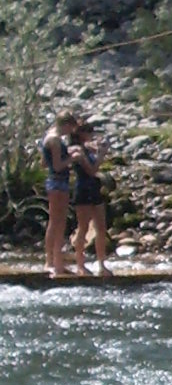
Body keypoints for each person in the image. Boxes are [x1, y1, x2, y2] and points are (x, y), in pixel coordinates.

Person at [41, 109, 81, 278]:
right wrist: (73, 158)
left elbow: (44, 163)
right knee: (58, 222)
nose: (69, 133)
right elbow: (57, 166)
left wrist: (68, 152)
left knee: (55, 221)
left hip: (54, 181)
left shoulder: (48, 137)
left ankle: (55, 261)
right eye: (69, 128)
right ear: (65, 124)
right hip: (58, 182)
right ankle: (52, 263)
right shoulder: (56, 140)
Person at [70, 120, 109, 277]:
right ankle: (80, 264)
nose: (91, 134)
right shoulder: (76, 150)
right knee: (83, 227)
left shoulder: (85, 147)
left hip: (94, 188)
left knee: (101, 227)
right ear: (80, 134)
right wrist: (101, 155)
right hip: (83, 189)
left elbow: (93, 147)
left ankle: (102, 264)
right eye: (88, 131)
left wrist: (100, 147)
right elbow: (92, 170)